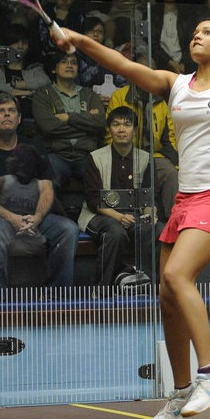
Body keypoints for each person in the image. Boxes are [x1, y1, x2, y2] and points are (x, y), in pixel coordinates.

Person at [49, 2, 210, 419]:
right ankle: (181, 391)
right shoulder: (174, 84)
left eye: (207, 31)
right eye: (194, 31)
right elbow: (122, 65)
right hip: (186, 200)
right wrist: (80, 40)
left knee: (179, 276)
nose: (197, 35)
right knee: (166, 294)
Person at [0, 93, 79, 289]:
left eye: (11, 111)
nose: (7, 115)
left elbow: (47, 189)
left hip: (32, 217)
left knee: (68, 229)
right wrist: (12, 218)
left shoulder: (34, 147)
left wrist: (37, 217)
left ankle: (57, 295)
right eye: (1, 111)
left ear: (19, 118)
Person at [78, 106, 158, 288]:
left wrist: (150, 214)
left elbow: (147, 197)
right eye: (116, 125)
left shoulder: (146, 158)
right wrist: (119, 217)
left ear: (135, 130)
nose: (121, 129)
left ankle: (148, 286)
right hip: (99, 215)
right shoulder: (95, 157)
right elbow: (93, 200)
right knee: (115, 232)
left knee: (152, 229)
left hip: (133, 215)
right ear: (110, 129)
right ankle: (102, 290)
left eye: (127, 125)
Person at [31, 50, 105, 192]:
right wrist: (86, 123)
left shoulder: (90, 95)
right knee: (47, 187)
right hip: (56, 155)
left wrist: (68, 117)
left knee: (102, 186)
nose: (70, 65)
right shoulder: (43, 95)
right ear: (54, 69)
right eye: (64, 62)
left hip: (86, 154)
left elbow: (100, 123)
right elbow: (48, 127)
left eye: (74, 63)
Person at [105, 83, 178, 221]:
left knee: (171, 173)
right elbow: (111, 129)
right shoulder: (120, 96)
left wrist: (174, 162)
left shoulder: (163, 99)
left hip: (155, 155)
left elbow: (171, 137)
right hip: (126, 152)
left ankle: (173, 222)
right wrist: (119, 154)